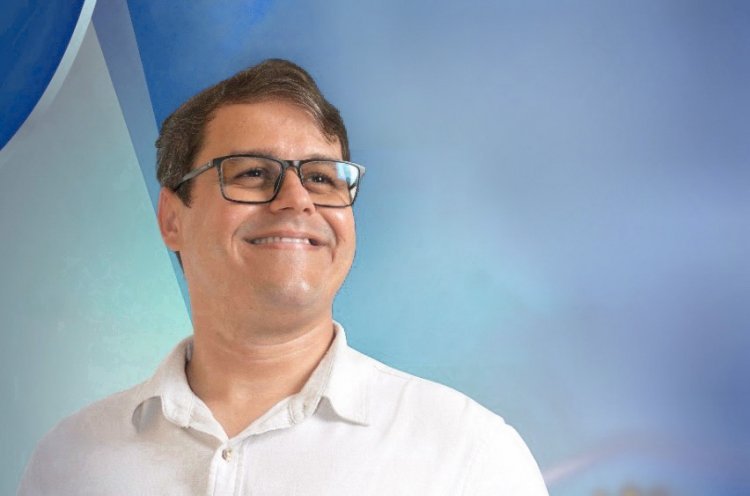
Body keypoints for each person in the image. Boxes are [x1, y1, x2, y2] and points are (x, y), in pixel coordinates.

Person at [18, 59, 548, 495]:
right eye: (253, 173)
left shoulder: (468, 457)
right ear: (172, 219)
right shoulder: (69, 462)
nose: (297, 200)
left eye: (321, 177)